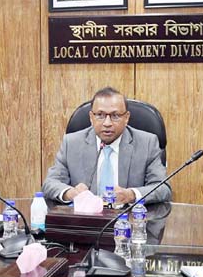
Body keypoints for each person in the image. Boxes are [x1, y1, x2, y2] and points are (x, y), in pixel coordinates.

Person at [42, 87, 171, 205]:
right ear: (91, 117)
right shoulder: (71, 143)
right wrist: (70, 193)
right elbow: (50, 183)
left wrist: (130, 195)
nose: (107, 123)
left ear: (126, 118)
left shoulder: (147, 143)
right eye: (100, 115)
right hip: (85, 223)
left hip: (129, 222)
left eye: (115, 116)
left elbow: (163, 188)